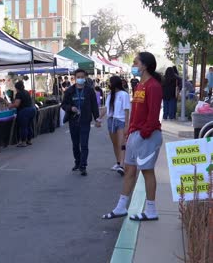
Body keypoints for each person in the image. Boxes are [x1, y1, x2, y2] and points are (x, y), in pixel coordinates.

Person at [102, 52, 163, 221]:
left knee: (147, 172)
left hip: (147, 136)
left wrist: (143, 133)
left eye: (136, 63)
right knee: (129, 170)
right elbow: (136, 112)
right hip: (135, 135)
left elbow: (153, 115)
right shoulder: (139, 86)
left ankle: (151, 210)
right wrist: (130, 132)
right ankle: (121, 207)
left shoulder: (153, 86)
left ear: (144, 65)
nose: (133, 65)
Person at [61, 69, 101, 176]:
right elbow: (63, 105)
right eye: (78, 77)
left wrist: (97, 118)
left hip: (85, 121)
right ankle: (77, 162)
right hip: (73, 121)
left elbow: (94, 106)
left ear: (85, 77)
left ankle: (83, 165)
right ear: (74, 78)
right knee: (75, 144)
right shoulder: (69, 91)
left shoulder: (89, 90)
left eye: (82, 77)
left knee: (84, 144)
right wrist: (70, 108)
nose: (80, 79)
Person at [99, 76, 131, 176]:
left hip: (120, 121)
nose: (109, 84)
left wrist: (127, 124)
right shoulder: (110, 95)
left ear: (115, 83)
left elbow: (126, 110)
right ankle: (118, 162)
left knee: (122, 144)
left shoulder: (124, 94)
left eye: (110, 82)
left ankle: (122, 165)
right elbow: (106, 108)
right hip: (111, 120)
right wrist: (99, 118)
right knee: (115, 143)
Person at [8, 81, 36, 147]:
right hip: (32, 109)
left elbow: (17, 104)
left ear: (17, 88)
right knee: (29, 125)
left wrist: (10, 106)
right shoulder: (26, 92)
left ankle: (23, 142)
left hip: (24, 111)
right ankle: (29, 140)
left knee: (23, 127)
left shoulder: (19, 93)